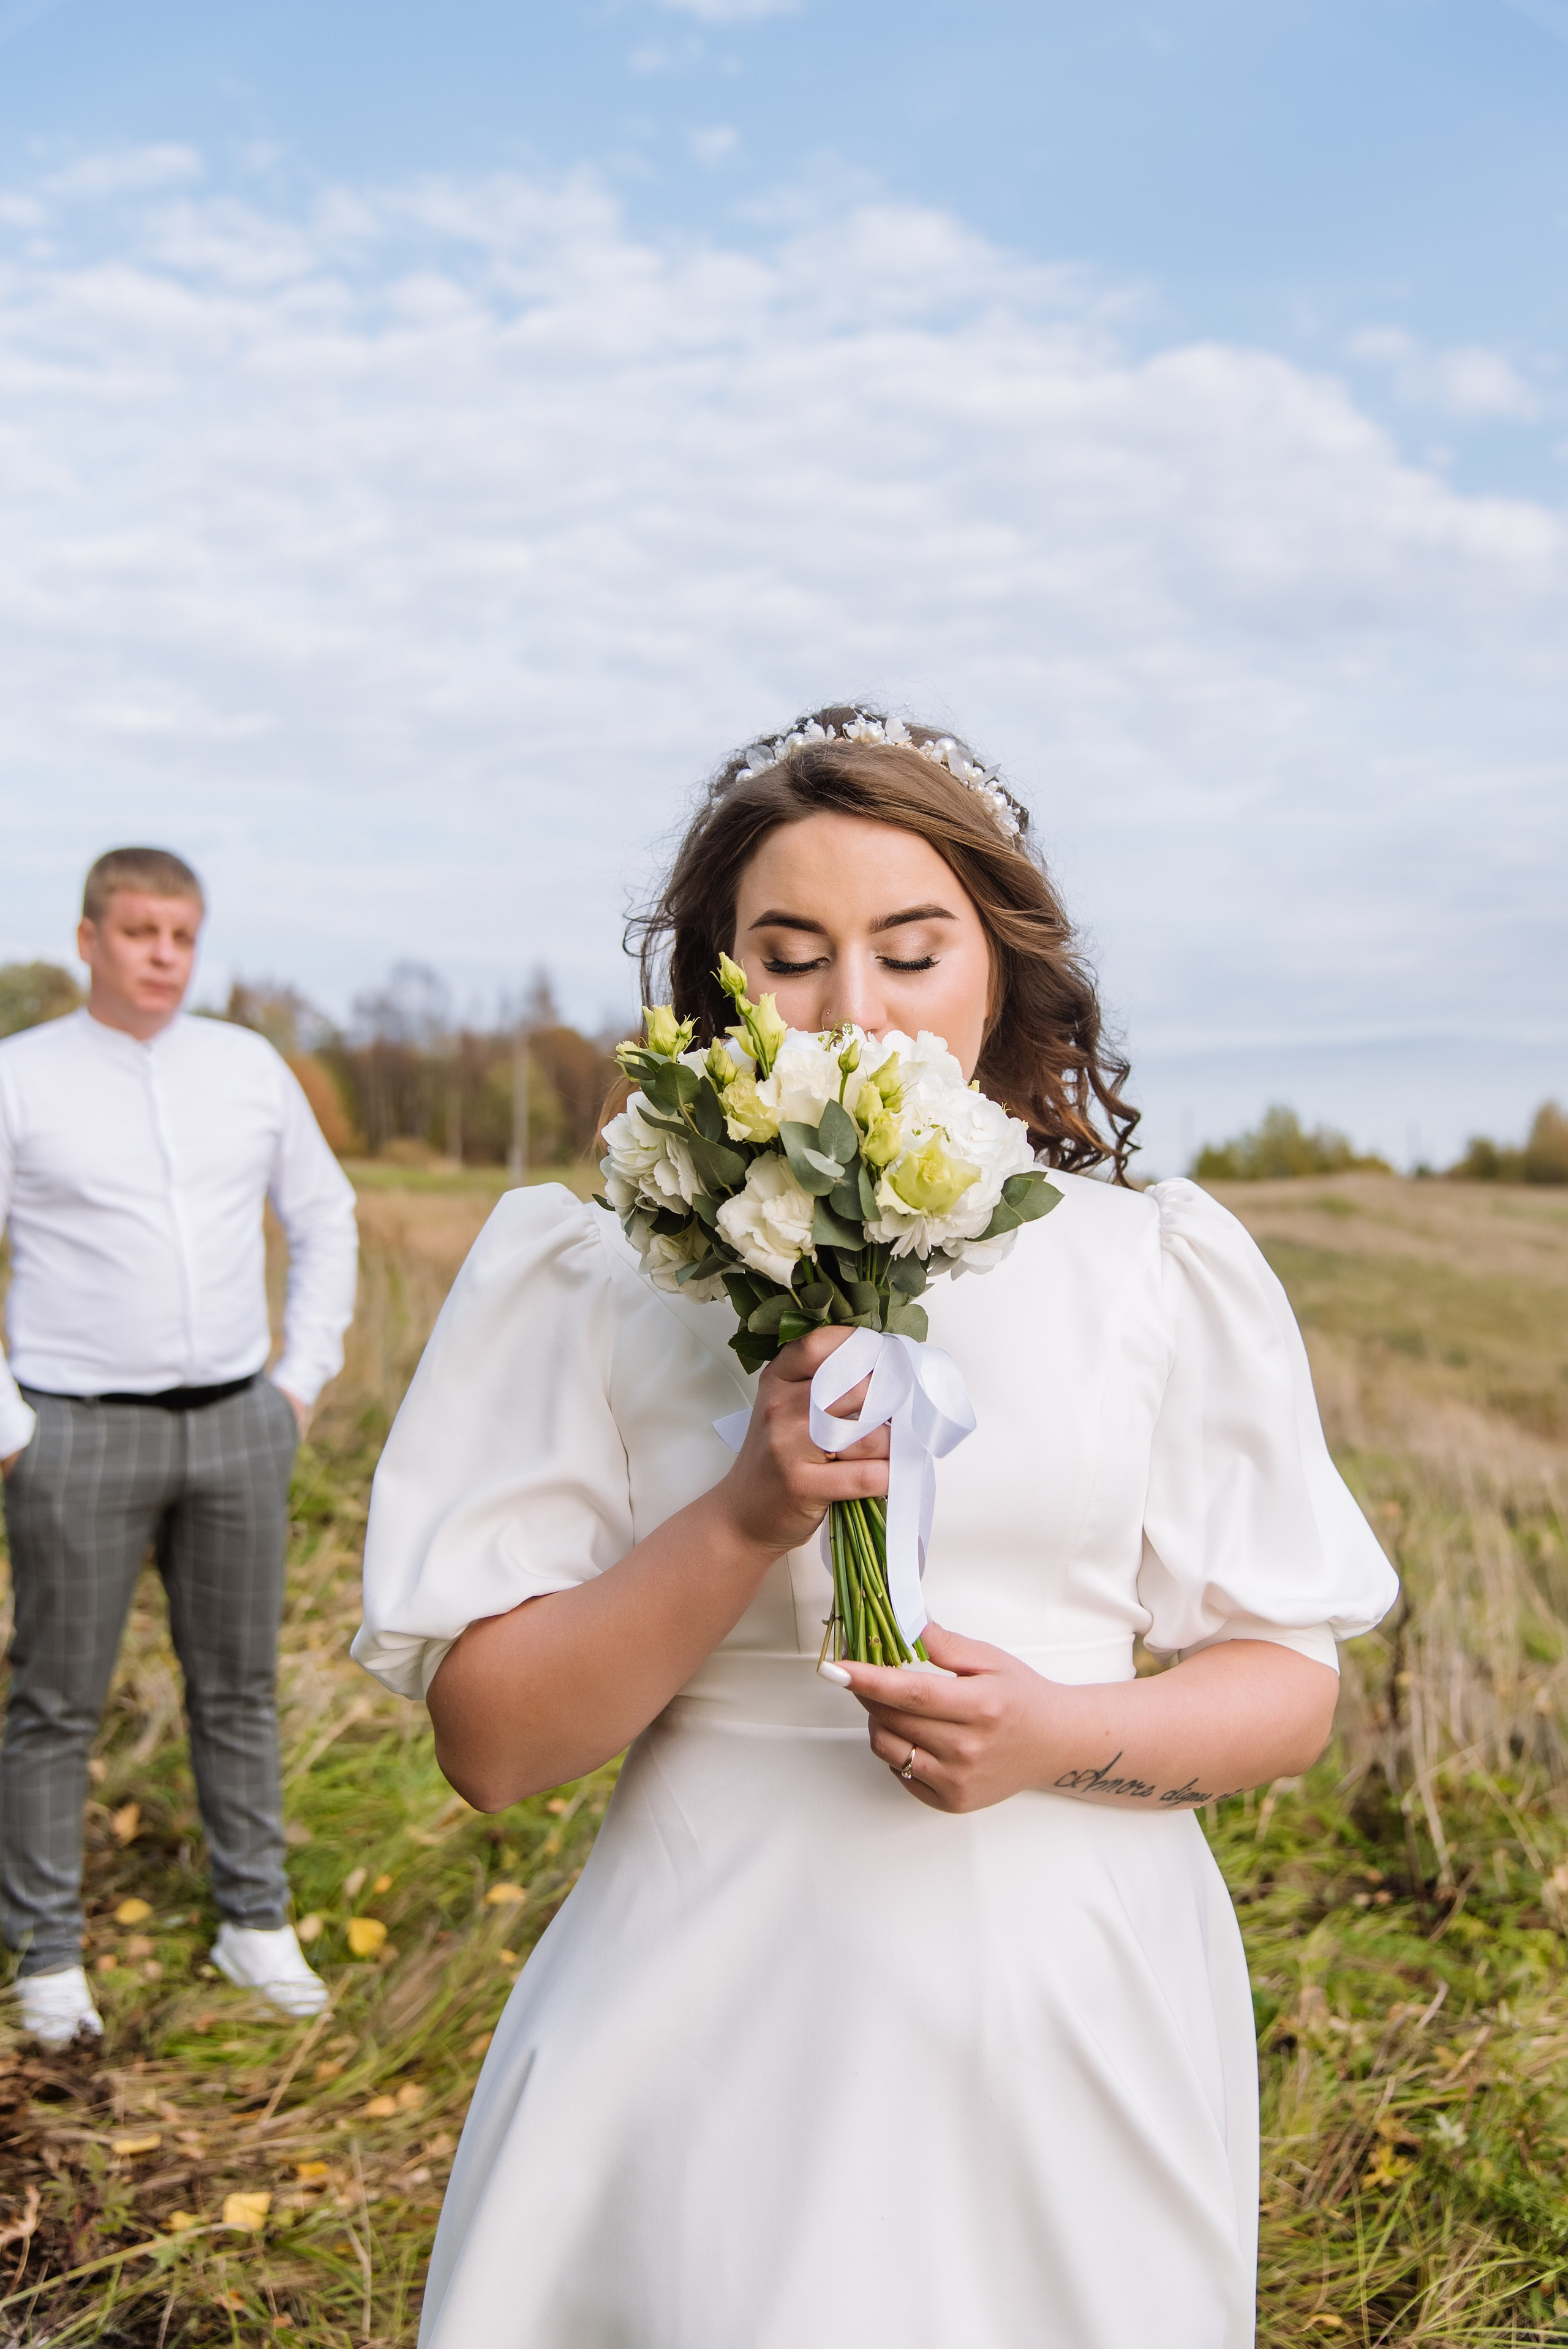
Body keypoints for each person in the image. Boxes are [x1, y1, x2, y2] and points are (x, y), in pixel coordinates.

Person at [355, 709, 1398, 2349]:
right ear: (719, 984)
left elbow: (1289, 1684)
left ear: (997, 964)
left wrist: (1059, 1731)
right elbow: (490, 1745)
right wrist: (745, 1512)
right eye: (793, 956)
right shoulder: (596, 1280)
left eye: (912, 951)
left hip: (1067, 2004)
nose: (858, 1012)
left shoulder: (1152, 1267)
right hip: (700, 2018)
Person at [0, 847, 359, 2049]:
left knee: (239, 1688)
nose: (164, 954)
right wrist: (10, 1429)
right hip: (73, 1431)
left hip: (234, 1427)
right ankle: (46, 1950)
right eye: (141, 931)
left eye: (183, 934)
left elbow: (323, 1216)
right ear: (89, 938)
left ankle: (252, 1921)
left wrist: (297, 1382)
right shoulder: (23, 1078)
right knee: (55, 1701)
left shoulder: (245, 1069)